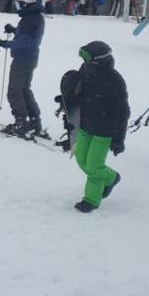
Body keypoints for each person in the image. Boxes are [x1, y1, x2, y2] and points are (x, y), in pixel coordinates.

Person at [57, 41, 129, 213]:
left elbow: (122, 112)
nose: (85, 64)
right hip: (86, 125)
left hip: (104, 131)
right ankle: (111, 177)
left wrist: (119, 139)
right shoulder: (86, 72)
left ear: (99, 61)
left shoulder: (114, 81)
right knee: (82, 160)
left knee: (94, 166)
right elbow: (80, 95)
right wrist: (67, 98)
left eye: (88, 61)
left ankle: (91, 199)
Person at [0, 0, 46, 137]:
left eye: (18, 2)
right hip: (30, 57)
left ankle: (21, 122)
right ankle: (35, 120)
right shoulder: (34, 16)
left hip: (23, 59)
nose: (16, 5)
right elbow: (27, 36)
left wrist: (4, 43)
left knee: (14, 91)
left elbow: (25, 41)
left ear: (24, 3)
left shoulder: (30, 19)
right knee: (24, 89)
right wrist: (14, 30)